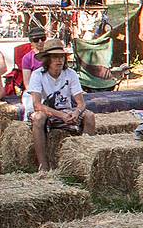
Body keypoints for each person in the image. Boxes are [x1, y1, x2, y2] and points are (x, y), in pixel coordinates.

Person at [28, 39, 96, 172]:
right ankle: (43, 166)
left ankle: (82, 160)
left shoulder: (71, 74)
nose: (59, 60)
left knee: (90, 116)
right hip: (48, 111)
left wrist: (76, 113)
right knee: (38, 118)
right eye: (55, 57)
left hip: (67, 110)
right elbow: (37, 105)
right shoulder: (37, 75)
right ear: (47, 59)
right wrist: (61, 115)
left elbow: (81, 103)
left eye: (61, 57)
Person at [20, 26, 47, 91]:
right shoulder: (27, 58)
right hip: (35, 89)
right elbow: (27, 83)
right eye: (36, 40)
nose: (40, 42)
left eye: (43, 38)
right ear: (31, 42)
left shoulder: (52, 54)